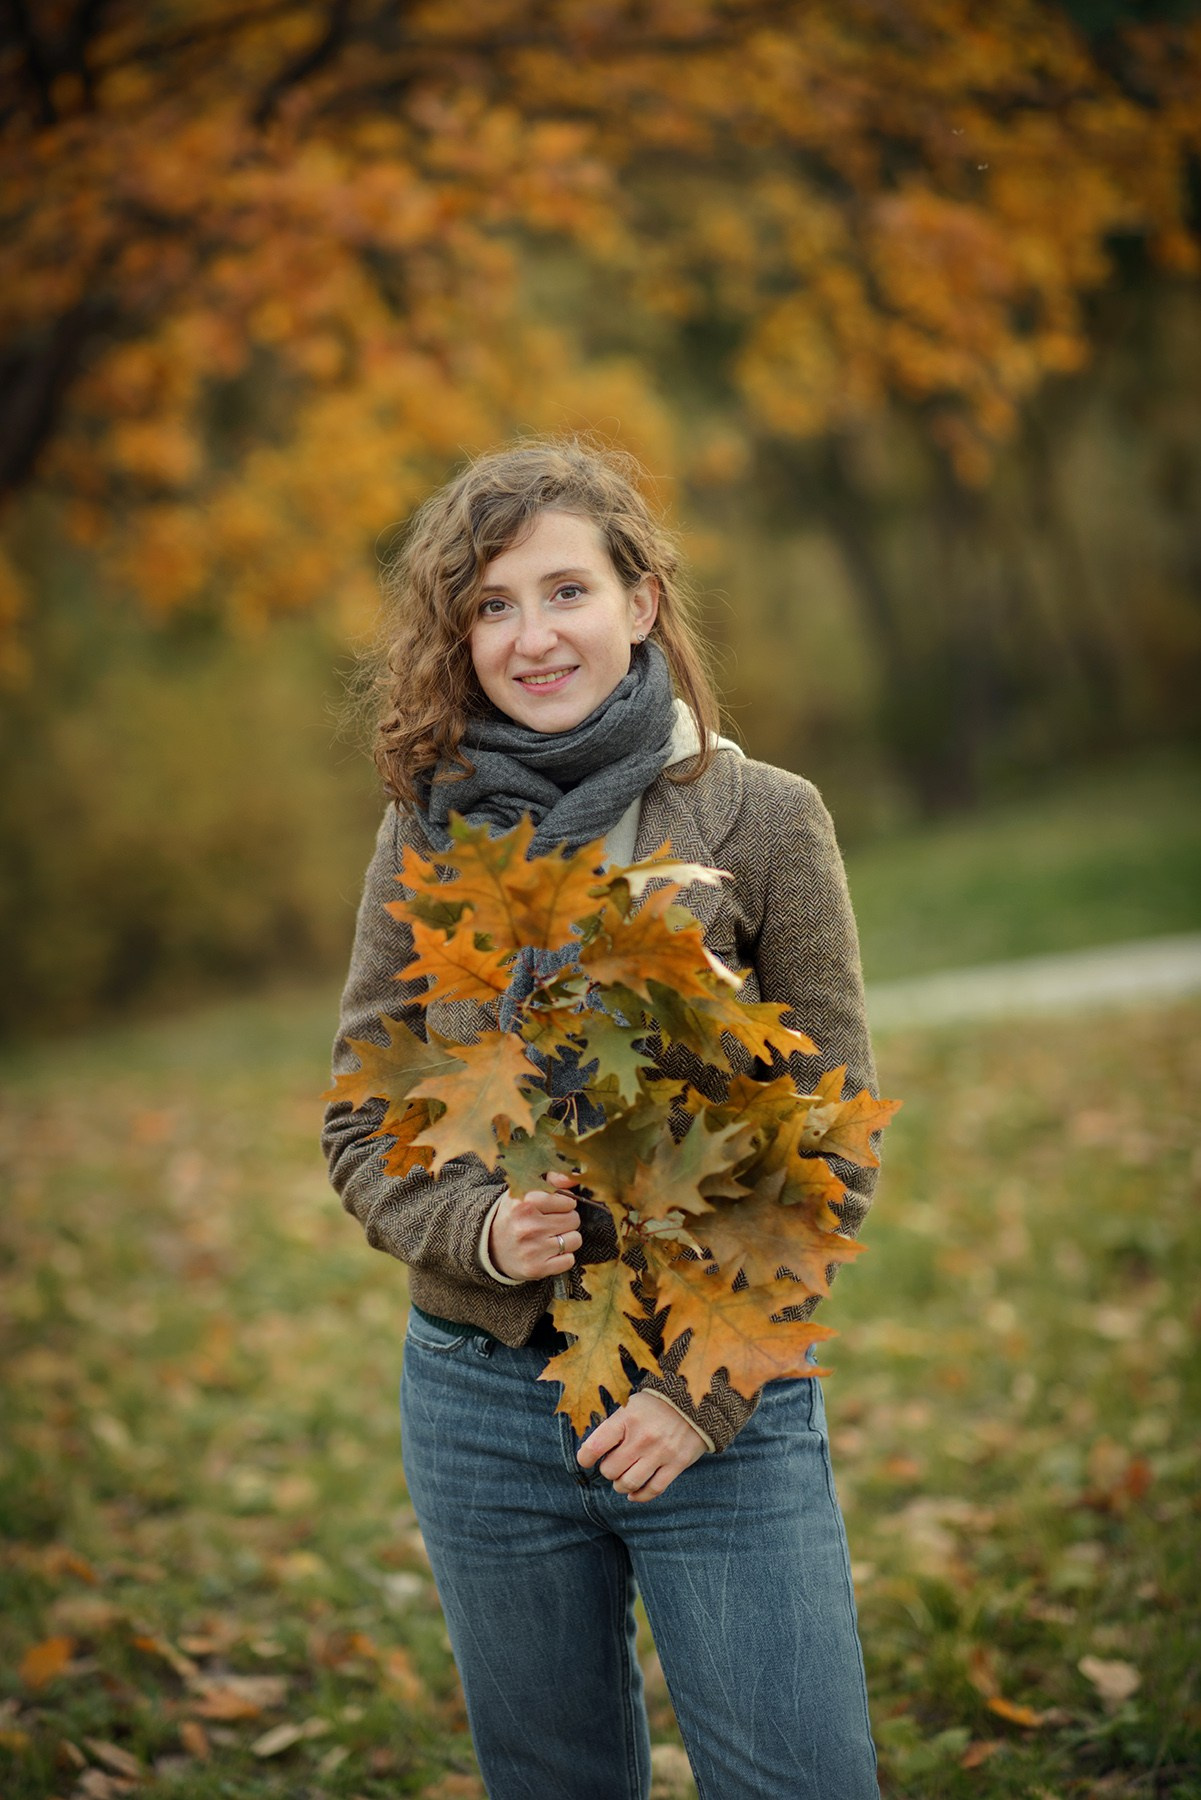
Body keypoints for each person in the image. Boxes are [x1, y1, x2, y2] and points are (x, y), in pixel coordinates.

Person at [322, 438, 881, 1800]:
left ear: (640, 602)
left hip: (715, 1405)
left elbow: (833, 1149)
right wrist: (477, 1233)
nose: (531, 635)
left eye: (564, 590)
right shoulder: (427, 833)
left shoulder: (758, 820)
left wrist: (700, 1399)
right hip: (478, 1407)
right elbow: (359, 1118)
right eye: (492, 606)